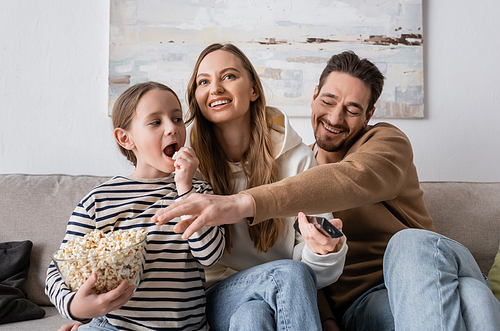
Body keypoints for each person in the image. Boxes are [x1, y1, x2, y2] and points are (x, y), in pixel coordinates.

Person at [152, 51, 500, 330]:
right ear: (315, 96)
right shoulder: (297, 163)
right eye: (329, 101)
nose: (335, 117)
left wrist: (243, 202)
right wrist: (328, 314)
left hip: (426, 271)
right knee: (474, 298)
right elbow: (301, 271)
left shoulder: (385, 143)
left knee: (408, 243)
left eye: (352, 110)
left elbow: (349, 178)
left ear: (368, 115)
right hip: (364, 305)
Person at [153, 43, 347, 330]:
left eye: (228, 76)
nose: (215, 88)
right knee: (288, 275)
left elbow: (312, 272)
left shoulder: (296, 159)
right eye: (203, 81)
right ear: (196, 96)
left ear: (254, 90)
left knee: (253, 316)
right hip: (212, 298)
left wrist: (322, 251)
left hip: (282, 294)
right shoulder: (184, 163)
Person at [46, 81, 225, 331]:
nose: (172, 128)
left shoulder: (198, 193)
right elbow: (58, 270)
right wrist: (75, 307)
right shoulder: (99, 201)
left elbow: (210, 255)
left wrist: (185, 189)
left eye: (177, 118)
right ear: (126, 138)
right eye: (155, 122)